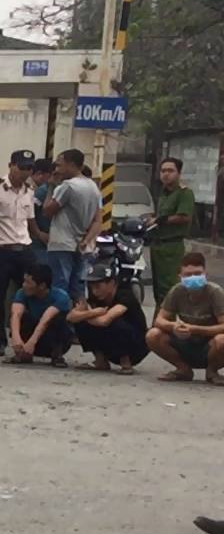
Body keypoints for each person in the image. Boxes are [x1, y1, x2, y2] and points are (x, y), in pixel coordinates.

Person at [0, 150, 39, 357]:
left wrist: (40, 236)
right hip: (1, 250)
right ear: (11, 165)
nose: (25, 172)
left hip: (24, 249)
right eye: (22, 167)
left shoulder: (29, 191)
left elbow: (30, 220)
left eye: (29, 168)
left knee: (31, 292)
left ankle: (26, 336)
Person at [145, 251, 224, 383]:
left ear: (205, 274)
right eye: (188, 275)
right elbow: (159, 320)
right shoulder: (177, 291)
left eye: (197, 274)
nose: (193, 278)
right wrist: (173, 326)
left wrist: (194, 329)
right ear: (180, 276)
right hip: (185, 341)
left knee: (222, 340)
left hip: (210, 345)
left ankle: (212, 371)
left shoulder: (215, 292)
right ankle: (183, 369)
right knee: (153, 335)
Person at [41, 148, 99, 303]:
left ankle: (61, 317)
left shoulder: (68, 186)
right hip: (81, 245)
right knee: (78, 288)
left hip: (62, 243)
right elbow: (97, 219)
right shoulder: (92, 186)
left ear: (71, 165)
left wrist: (51, 186)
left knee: (60, 287)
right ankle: (78, 315)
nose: (56, 170)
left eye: (60, 165)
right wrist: (86, 240)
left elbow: (47, 210)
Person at [68, 265, 148, 373]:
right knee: (81, 321)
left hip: (135, 346)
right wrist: (91, 313)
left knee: (116, 323)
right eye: (91, 287)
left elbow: (105, 321)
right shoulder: (95, 297)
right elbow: (71, 317)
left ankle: (126, 363)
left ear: (111, 283)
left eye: (98, 286)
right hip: (111, 346)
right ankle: (100, 361)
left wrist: (85, 316)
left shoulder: (125, 295)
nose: (94, 291)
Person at [149, 157, 197, 309]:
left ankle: (169, 318)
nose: (166, 174)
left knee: (170, 288)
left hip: (172, 246)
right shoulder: (163, 193)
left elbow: (184, 216)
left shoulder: (184, 193)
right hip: (157, 245)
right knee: (158, 289)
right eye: (163, 171)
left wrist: (161, 220)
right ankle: (159, 317)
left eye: (170, 171)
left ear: (179, 173)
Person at [7, 261, 73, 366]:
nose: (24, 285)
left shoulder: (61, 296)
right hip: (31, 339)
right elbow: (16, 314)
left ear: (42, 286)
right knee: (22, 317)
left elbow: (46, 319)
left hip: (51, 340)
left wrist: (32, 342)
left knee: (58, 319)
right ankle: (22, 354)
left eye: (28, 282)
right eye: (24, 281)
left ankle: (57, 355)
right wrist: (16, 338)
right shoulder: (22, 292)